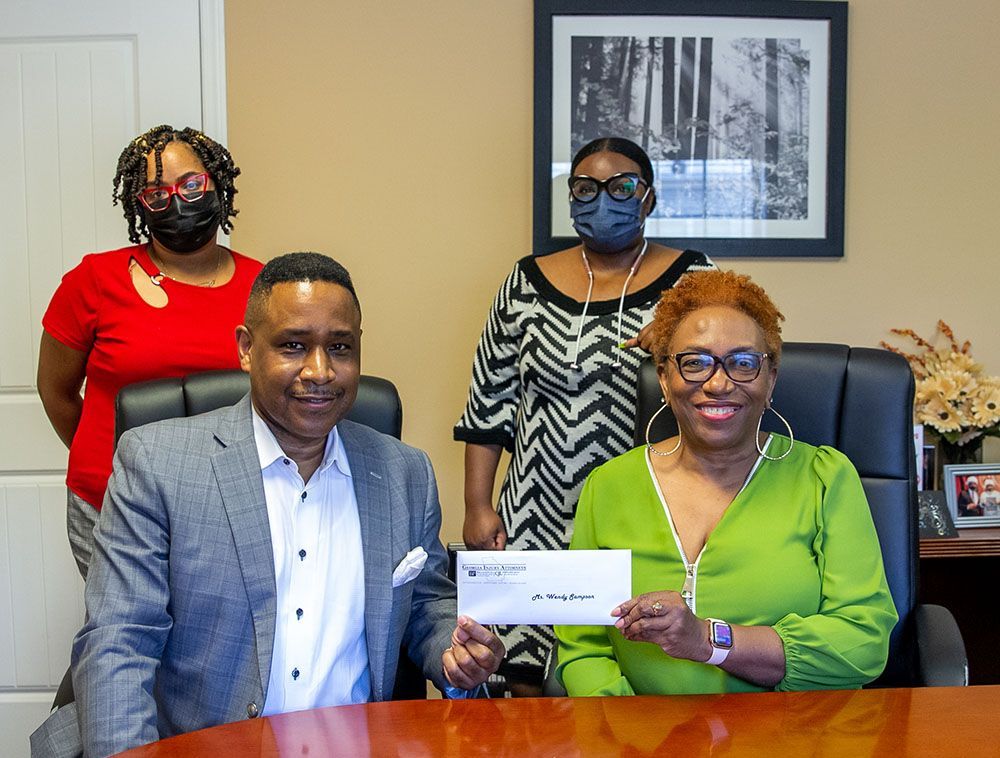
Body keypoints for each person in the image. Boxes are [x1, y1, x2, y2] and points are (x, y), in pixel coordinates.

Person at [31, 253, 504, 757]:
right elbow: (118, 642)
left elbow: (427, 604)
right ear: (246, 349)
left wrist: (456, 654)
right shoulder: (157, 465)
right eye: (293, 346)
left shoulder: (404, 472)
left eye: (340, 348)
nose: (320, 371)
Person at [555, 269, 897, 696]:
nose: (718, 383)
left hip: (796, 735)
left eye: (743, 362)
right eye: (695, 362)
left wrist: (708, 642)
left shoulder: (824, 478)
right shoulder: (608, 486)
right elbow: (583, 649)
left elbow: (862, 644)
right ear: (664, 377)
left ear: (770, 378)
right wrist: (632, 737)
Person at [455, 137, 713, 693]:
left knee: (622, 669)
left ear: (648, 198)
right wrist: (478, 506)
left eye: (622, 187)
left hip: (641, 511)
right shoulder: (526, 280)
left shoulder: (692, 281)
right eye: (586, 188)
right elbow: (488, 402)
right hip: (533, 510)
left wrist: (675, 336)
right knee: (520, 683)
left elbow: (729, 366)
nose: (604, 199)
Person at [36, 124, 263, 579]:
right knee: (126, 637)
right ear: (140, 206)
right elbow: (56, 391)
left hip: (228, 502)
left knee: (218, 642)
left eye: (192, 184)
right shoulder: (94, 280)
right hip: (111, 500)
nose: (177, 202)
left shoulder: (265, 288)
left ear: (217, 183)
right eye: (157, 195)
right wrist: (112, 455)